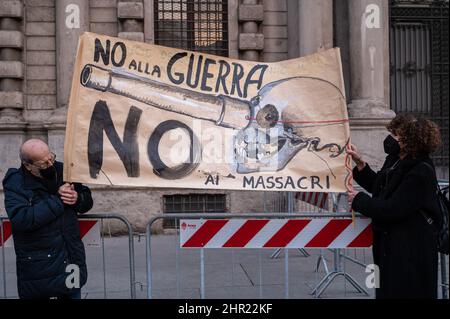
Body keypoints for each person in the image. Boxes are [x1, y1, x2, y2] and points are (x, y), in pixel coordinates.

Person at [347, 114, 442, 299]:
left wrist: (359, 200)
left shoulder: (421, 171)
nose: (392, 138)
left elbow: (393, 208)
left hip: (411, 249)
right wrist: (360, 164)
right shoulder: (395, 160)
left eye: (397, 135)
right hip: (390, 246)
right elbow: (380, 186)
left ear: (411, 140)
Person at [2, 139, 93, 299]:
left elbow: (87, 200)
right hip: (38, 264)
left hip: (70, 258)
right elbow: (22, 219)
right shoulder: (16, 182)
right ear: (28, 165)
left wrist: (77, 198)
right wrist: (58, 200)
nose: (51, 164)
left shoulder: (64, 170)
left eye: (51, 157)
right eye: (44, 163)